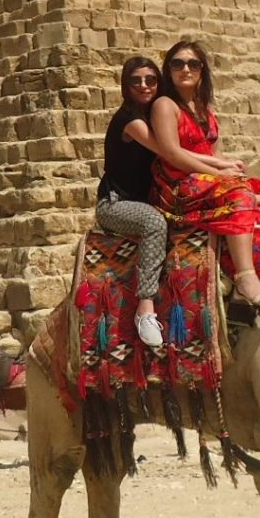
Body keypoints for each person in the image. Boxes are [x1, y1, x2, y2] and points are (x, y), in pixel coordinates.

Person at [148, 39, 260, 307]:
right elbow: (171, 153)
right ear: (168, 69)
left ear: (202, 70)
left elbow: (213, 152)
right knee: (238, 195)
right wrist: (220, 173)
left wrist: (229, 165)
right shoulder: (165, 105)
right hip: (177, 183)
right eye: (177, 63)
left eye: (193, 63)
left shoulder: (205, 108)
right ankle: (245, 277)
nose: (186, 69)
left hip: (205, 175)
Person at [95, 56, 167, 348]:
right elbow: (169, 151)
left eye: (151, 80)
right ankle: (145, 308)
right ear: (125, 85)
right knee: (154, 223)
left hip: (148, 199)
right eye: (136, 80)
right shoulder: (131, 120)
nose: (144, 86)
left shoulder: (155, 115)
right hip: (115, 205)